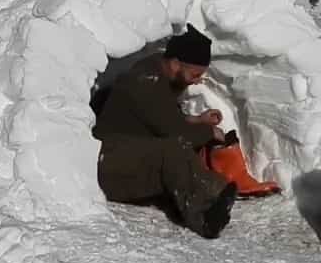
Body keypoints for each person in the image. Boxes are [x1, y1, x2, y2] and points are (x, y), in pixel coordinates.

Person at [93, 24, 274, 238]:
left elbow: (161, 118)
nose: (197, 81)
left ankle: (221, 190)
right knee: (174, 149)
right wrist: (209, 132)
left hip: (126, 155)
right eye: (195, 74)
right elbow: (176, 134)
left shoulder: (157, 73)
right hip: (107, 165)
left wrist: (197, 120)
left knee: (178, 149)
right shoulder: (145, 82)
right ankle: (204, 217)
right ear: (176, 63)